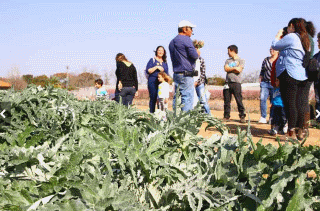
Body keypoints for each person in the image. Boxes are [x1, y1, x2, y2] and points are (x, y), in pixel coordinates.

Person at [271, 18, 312, 140]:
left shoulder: (292, 36)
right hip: (302, 75)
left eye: (288, 27)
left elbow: (275, 45)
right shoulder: (305, 38)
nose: (287, 29)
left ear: (292, 26)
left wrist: (277, 35)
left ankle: (291, 133)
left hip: (289, 74)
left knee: (290, 105)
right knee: (299, 103)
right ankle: (300, 131)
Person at [169, 20, 200, 112]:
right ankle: (185, 123)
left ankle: (175, 119)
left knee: (177, 97)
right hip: (186, 74)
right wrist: (197, 52)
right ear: (184, 29)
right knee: (187, 97)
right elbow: (194, 55)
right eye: (190, 29)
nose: (191, 31)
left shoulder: (172, 42)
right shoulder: (186, 39)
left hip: (176, 74)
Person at [223, 45, 246, 123]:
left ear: (232, 51)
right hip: (227, 83)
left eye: (228, 51)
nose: (227, 53)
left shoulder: (241, 60)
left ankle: (242, 116)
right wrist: (234, 68)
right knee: (226, 101)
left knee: (239, 100)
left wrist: (230, 69)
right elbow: (226, 68)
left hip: (236, 83)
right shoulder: (227, 61)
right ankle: (226, 116)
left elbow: (239, 70)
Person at [145, 46, 169, 113]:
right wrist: (156, 67)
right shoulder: (152, 60)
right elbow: (148, 70)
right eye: (159, 50)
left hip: (162, 84)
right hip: (153, 82)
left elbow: (167, 74)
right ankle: (152, 114)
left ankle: (161, 115)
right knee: (153, 99)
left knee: (161, 99)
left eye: (162, 51)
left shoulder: (165, 62)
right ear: (156, 51)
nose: (160, 52)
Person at [259, 48, 279, 124]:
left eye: (273, 49)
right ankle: (263, 117)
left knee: (273, 101)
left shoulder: (279, 60)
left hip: (274, 84)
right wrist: (260, 78)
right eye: (270, 49)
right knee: (262, 98)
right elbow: (262, 70)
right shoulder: (266, 60)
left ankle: (272, 117)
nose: (271, 51)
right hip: (265, 82)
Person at [193, 40, 211, 115]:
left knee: (203, 100)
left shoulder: (201, 60)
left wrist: (197, 82)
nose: (197, 51)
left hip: (199, 84)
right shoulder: (189, 61)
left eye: (198, 50)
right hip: (190, 83)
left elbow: (203, 74)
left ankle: (208, 116)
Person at [313, 32, 320, 123]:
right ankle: (319, 120)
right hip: (318, 82)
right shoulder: (316, 57)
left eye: (319, 40)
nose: (317, 42)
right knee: (318, 101)